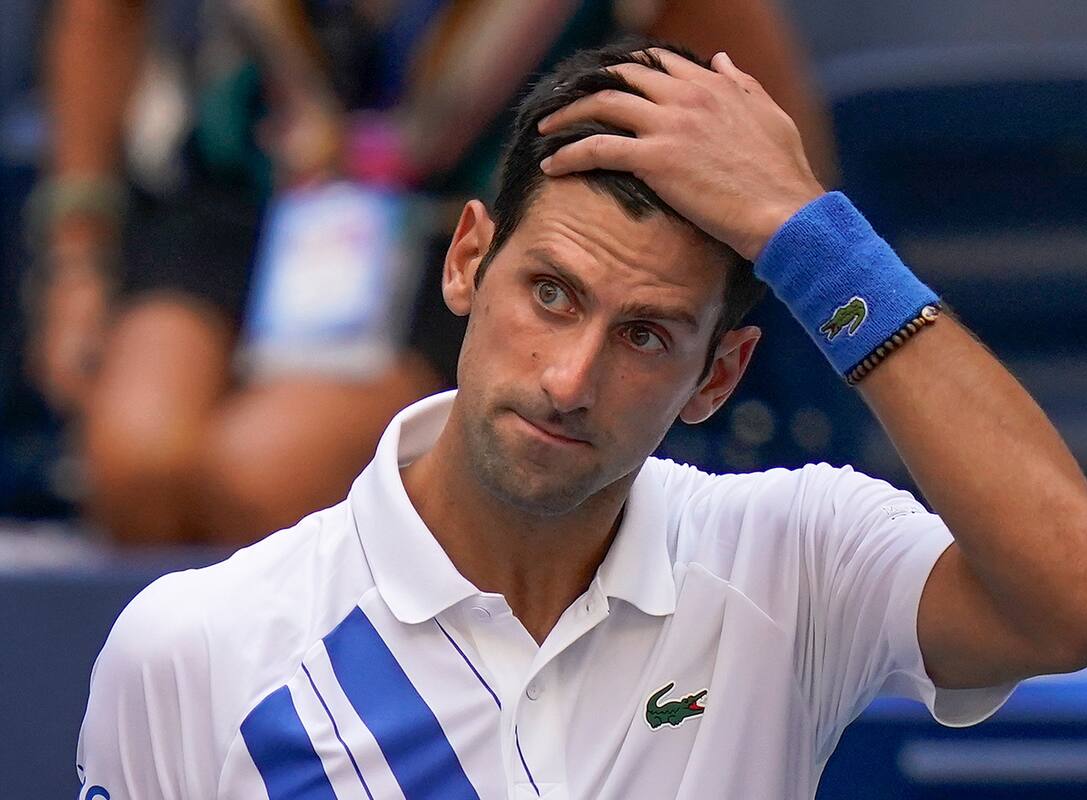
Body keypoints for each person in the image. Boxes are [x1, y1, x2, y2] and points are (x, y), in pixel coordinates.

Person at [75, 42, 1087, 798]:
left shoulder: (796, 559)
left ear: (719, 376)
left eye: (646, 335)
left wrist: (817, 241)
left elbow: (1079, 592)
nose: (570, 377)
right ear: (465, 259)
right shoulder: (194, 650)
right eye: (550, 293)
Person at [31, 0, 834, 546]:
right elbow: (103, 15)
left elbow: (765, 135)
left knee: (263, 476)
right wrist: (77, 258)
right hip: (239, 194)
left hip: (478, 224)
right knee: (136, 464)